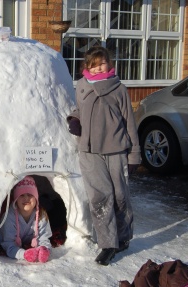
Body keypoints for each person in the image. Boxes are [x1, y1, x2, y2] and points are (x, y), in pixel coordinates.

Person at [66, 46, 140, 266]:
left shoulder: (119, 88)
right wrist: (74, 119)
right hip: (89, 151)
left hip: (116, 149)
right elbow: (80, 108)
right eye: (93, 64)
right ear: (86, 67)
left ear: (110, 63)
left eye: (102, 63)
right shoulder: (81, 85)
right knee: (100, 197)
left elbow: (130, 122)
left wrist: (134, 154)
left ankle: (124, 236)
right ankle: (108, 244)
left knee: (120, 196)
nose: (98, 68)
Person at [0, 176, 52, 263]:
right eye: (21, 195)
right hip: (1, 241)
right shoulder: (9, 217)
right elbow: (9, 245)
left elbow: (44, 238)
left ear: (36, 198)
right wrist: (24, 254)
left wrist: (45, 249)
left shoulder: (41, 215)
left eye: (30, 195)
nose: (26, 198)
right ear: (16, 200)